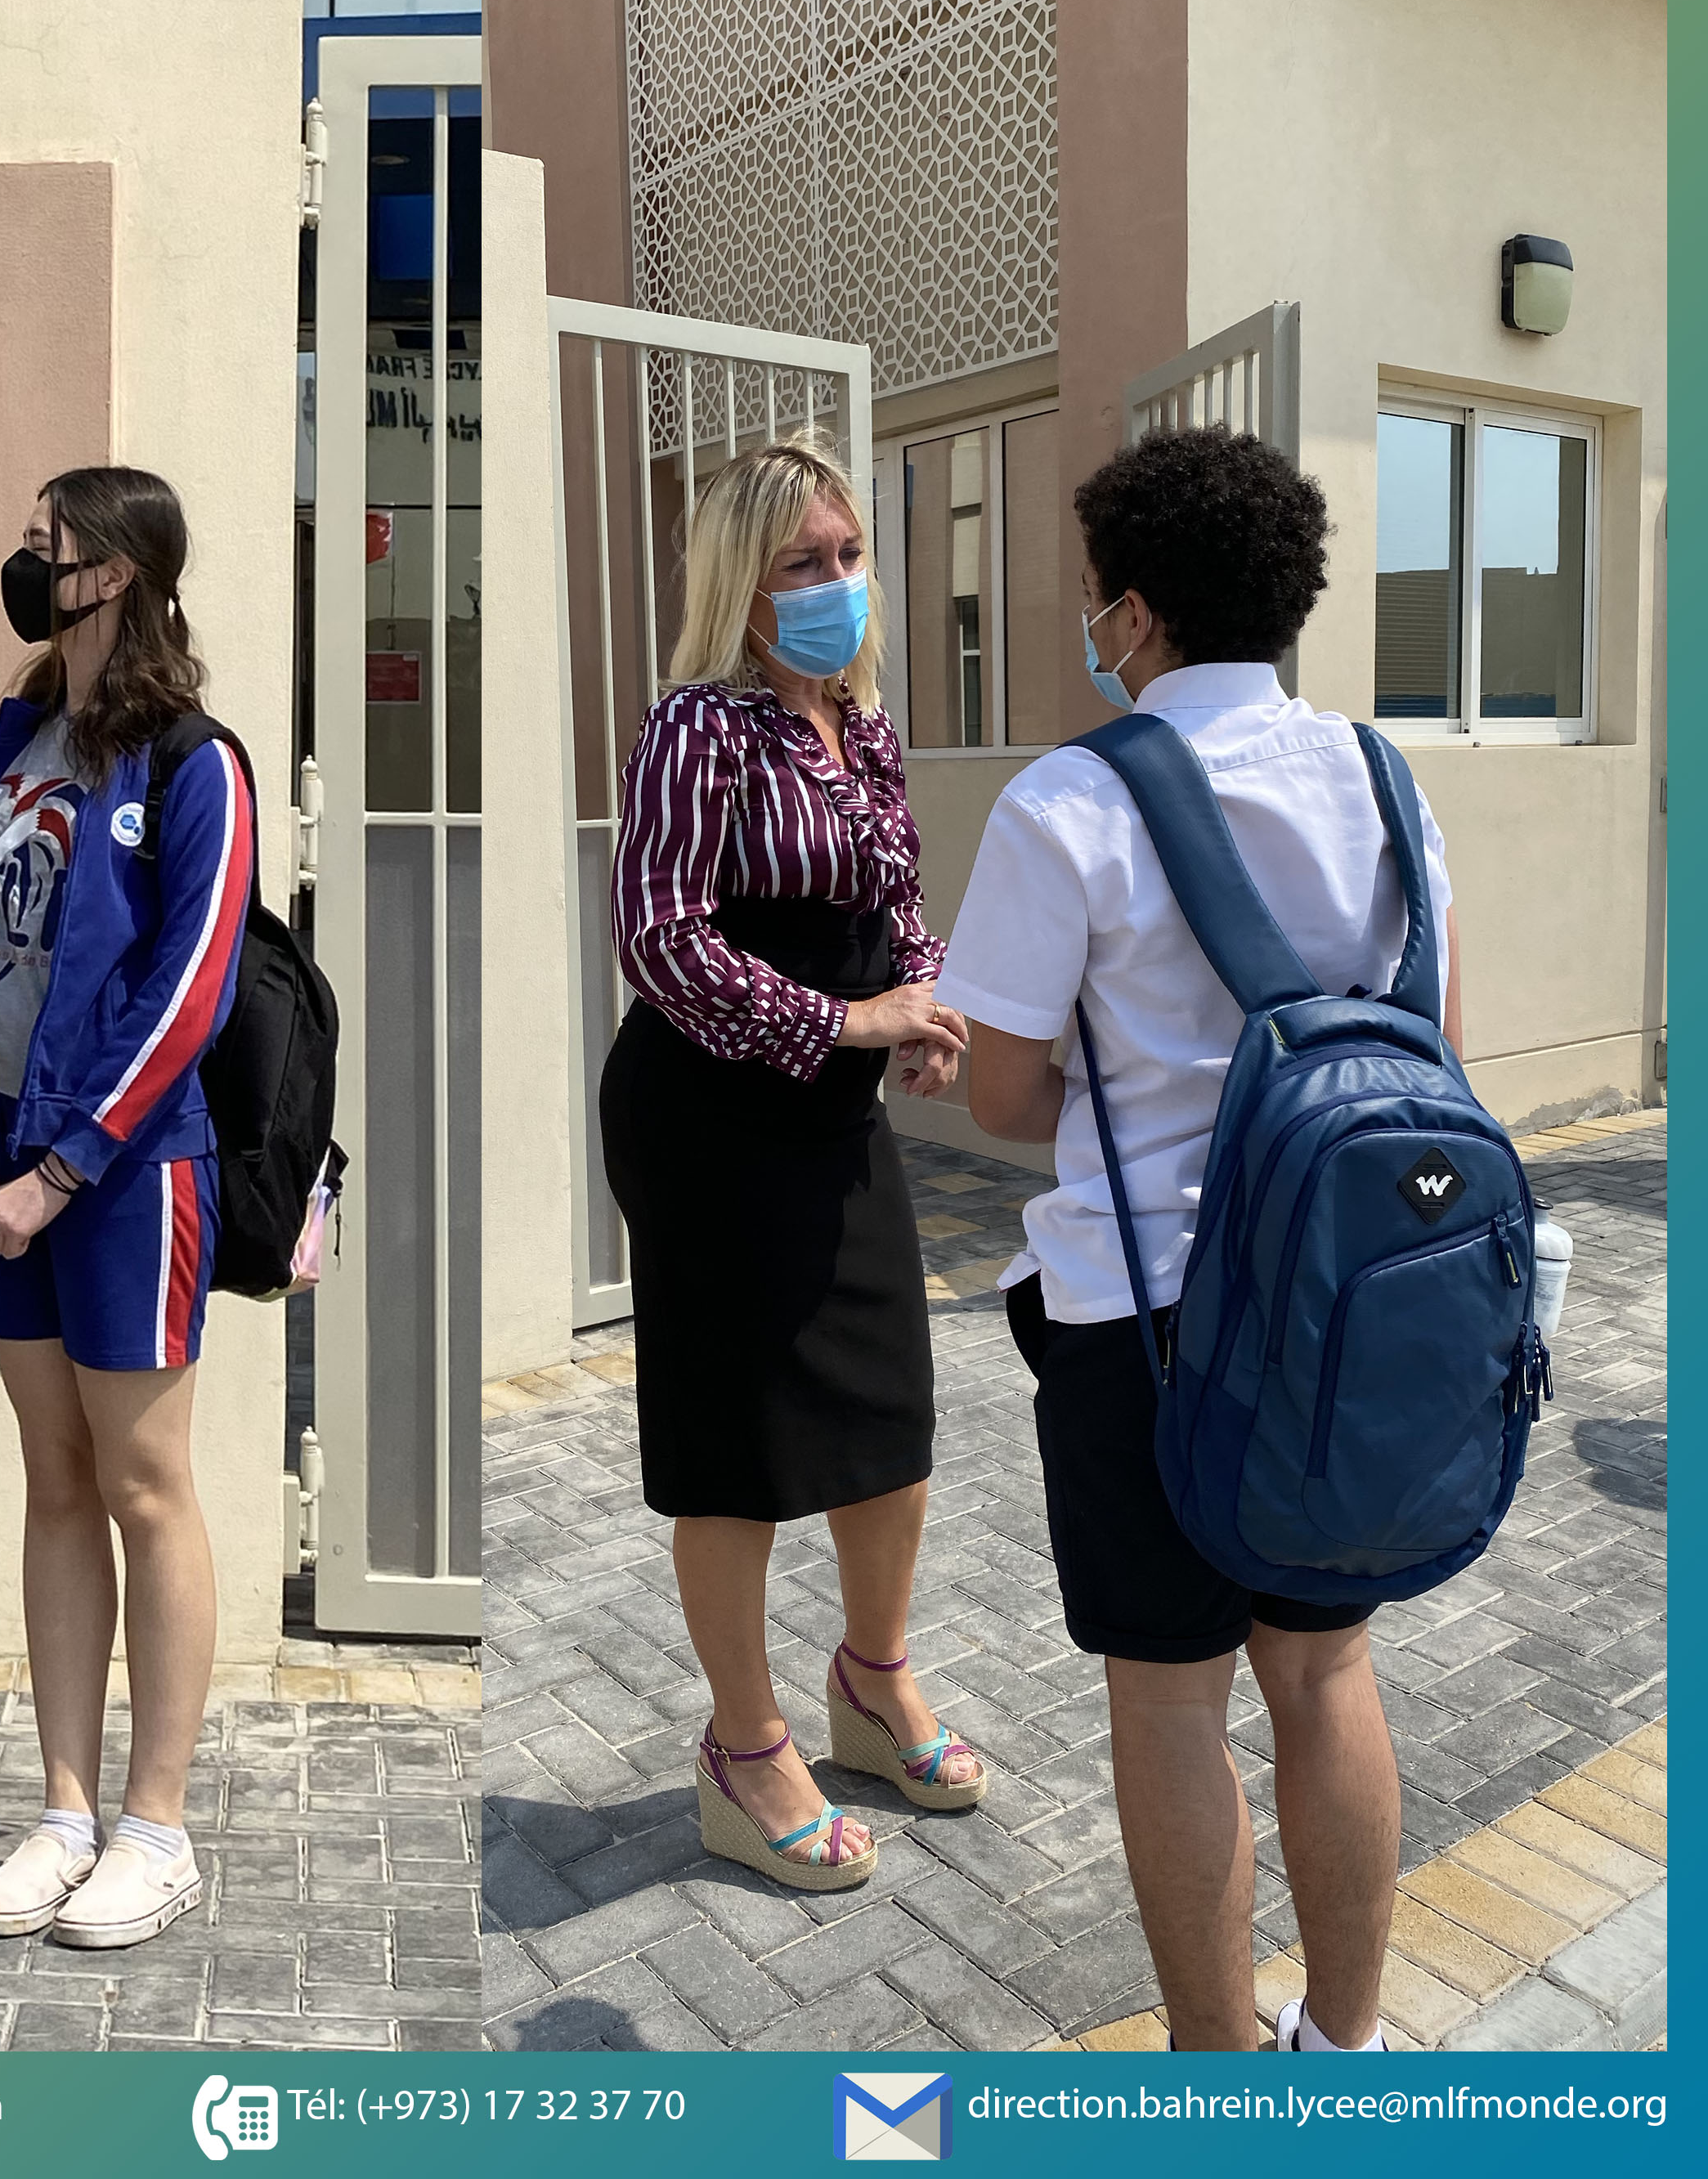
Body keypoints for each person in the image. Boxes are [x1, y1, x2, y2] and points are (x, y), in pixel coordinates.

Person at [935, 424, 1464, 2052]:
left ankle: (1216, 2087)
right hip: (1348, 1310)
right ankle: (1346, 2054)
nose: (1091, 624)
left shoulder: (1069, 801)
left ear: (1141, 612)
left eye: (1097, 595)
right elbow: (1437, 1047)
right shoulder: (1385, 780)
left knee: (1173, 1700)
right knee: (1325, 1674)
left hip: (1147, 1316)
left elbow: (1003, 1098)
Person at [600, 432, 987, 1896]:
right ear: (739, 584)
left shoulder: (859, 724)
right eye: (801, 562)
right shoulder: (699, 728)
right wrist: (843, 1020)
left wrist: (919, 1005)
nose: (837, 582)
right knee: (740, 1448)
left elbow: (901, 902)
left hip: (829, 1120)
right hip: (705, 1124)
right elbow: (658, 938)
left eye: (849, 553)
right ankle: (746, 1748)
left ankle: (872, 1684)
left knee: (892, 1416)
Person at [0, 464, 253, 1951]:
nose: (23, 565)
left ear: (112, 572)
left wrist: (61, 1172)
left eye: (43, 546)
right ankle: (64, 1814)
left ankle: (155, 1827)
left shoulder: (196, 763)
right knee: (54, 1480)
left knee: (142, 1485)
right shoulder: (17, 739)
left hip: (125, 1180)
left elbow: (192, 991)